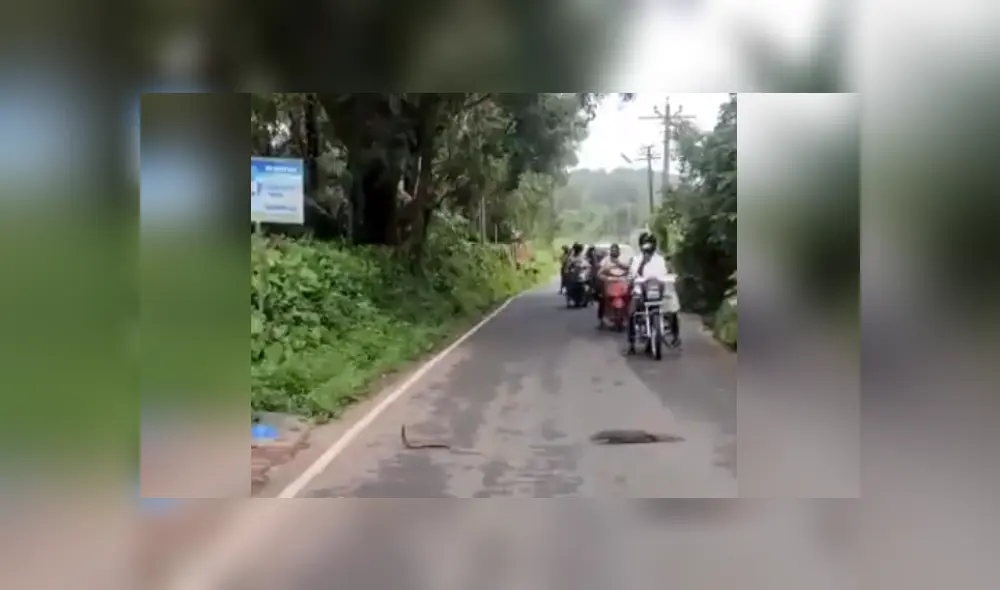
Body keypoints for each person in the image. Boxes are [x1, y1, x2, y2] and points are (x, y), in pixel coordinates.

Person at [626, 232, 680, 353]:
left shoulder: (660, 259)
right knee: (631, 313)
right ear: (641, 245)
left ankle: (675, 336)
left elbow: (666, 273)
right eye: (645, 244)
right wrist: (643, 263)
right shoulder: (636, 259)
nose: (648, 247)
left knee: (673, 307)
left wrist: (671, 276)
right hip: (640, 293)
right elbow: (633, 275)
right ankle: (631, 343)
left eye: (650, 244)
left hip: (659, 293)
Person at [596, 243, 630, 329]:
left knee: (631, 297)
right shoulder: (605, 260)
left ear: (619, 251)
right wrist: (607, 278)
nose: (614, 252)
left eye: (616, 250)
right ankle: (602, 319)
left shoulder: (624, 259)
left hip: (622, 282)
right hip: (610, 283)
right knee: (603, 299)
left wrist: (620, 264)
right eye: (612, 250)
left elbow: (630, 269)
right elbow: (599, 273)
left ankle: (630, 318)